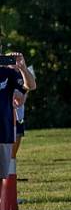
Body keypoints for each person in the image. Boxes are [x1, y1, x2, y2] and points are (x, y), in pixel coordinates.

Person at [0, 52, 31, 184]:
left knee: (1, 176)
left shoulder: (8, 73)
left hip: (4, 132)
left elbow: (30, 86)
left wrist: (23, 68)